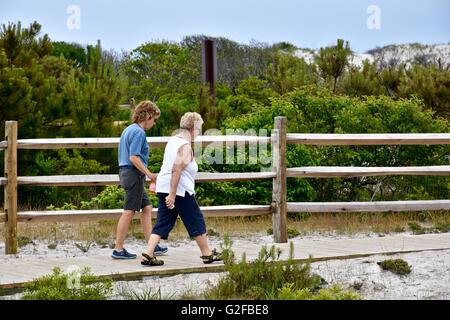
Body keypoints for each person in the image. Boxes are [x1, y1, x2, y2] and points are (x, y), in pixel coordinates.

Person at [141, 112, 222, 266]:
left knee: (164, 221)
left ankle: (148, 253)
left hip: (164, 186)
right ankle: (207, 254)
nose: (199, 133)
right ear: (193, 128)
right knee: (195, 219)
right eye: (199, 129)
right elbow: (176, 169)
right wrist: (172, 194)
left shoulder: (173, 141)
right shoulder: (185, 147)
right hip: (179, 190)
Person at [112, 100, 168, 259]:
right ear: (148, 116)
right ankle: (118, 249)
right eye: (154, 119)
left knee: (147, 207)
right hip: (133, 174)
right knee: (129, 211)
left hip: (127, 173)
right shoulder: (139, 132)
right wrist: (150, 174)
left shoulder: (128, 129)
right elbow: (134, 157)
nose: (154, 122)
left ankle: (152, 244)